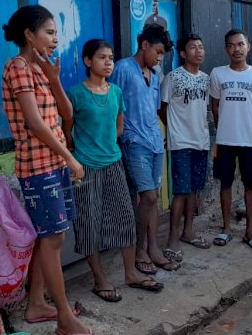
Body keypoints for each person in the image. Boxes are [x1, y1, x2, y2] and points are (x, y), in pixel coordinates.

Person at [1, 5, 102, 335]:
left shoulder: (41, 69)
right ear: (29, 35)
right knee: (53, 239)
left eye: (56, 33)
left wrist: (56, 79)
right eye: (49, 32)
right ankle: (64, 317)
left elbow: (67, 115)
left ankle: (36, 305)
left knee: (51, 237)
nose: (55, 38)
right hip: (39, 166)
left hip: (53, 163)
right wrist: (70, 157)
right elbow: (34, 123)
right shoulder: (17, 69)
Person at [65, 39, 164, 301]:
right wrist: (81, 151)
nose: (108, 63)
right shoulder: (75, 94)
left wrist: (106, 145)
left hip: (113, 162)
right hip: (84, 167)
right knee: (88, 223)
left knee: (125, 218)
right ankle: (100, 280)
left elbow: (119, 127)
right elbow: (67, 132)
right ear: (88, 61)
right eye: (101, 58)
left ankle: (130, 273)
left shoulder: (116, 92)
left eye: (110, 58)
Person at [109, 23, 179, 274]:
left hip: (153, 141)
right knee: (146, 196)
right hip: (132, 140)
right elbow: (113, 105)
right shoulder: (123, 68)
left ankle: (153, 248)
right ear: (145, 45)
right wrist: (117, 138)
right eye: (158, 51)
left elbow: (153, 109)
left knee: (154, 198)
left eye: (163, 54)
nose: (159, 57)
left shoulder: (156, 73)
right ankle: (139, 249)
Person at [210, 29, 252, 251]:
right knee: (225, 184)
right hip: (225, 140)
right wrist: (224, 126)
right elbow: (215, 106)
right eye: (232, 45)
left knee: (250, 186)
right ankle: (226, 229)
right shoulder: (218, 73)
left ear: (248, 46)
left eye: (241, 44)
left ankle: (250, 232)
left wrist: (251, 129)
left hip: (250, 141)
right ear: (227, 49)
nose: (237, 49)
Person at [159, 33, 212, 263]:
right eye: (193, 48)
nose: (198, 51)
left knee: (193, 189)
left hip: (202, 140)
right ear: (182, 53)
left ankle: (188, 231)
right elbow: (162, 108)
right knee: (180, 190)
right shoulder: (173, 78)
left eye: (201, 47)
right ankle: (172, 238)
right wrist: (174, 130)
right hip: (180, 142)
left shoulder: (206, 79)